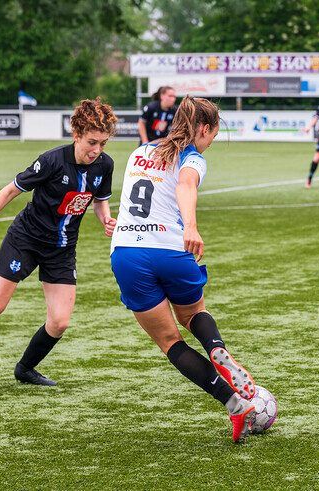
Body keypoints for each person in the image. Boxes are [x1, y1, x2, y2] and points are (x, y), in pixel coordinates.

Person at [0, 98, 118, 386]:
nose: (97, 150)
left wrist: (106, 219)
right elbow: (9, 191)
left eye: (102, 143)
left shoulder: (104, 165)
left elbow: (99, 202)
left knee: (60, 322)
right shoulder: (52, 161)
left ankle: (25, 369)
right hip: (25, 240)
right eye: (92, 142)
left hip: (62, 249)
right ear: (76, 134)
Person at [111, 96, 259, 443]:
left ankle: (234, 405)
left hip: (128, 253)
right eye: (212, 136)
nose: (209, 144)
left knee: (169, 342)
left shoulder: (139, 152)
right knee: (193, 316)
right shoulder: (192, 157)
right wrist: (190, 225)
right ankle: (216, 347)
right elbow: (185, 184)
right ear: (203, 129)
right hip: (171, 250)